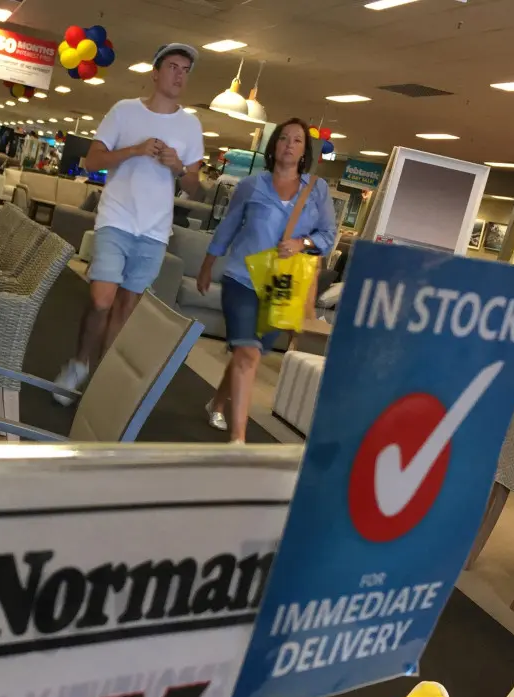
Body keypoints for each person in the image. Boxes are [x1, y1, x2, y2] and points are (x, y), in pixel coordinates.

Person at [53, 43, 206, 402]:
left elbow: (195, 190)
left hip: (154, 232)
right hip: (116, 220)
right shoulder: (124, 111)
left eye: (185, 69)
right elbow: (91, 162)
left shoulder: (190, 126)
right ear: (155, 72)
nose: (179, 74)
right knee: (102, 299)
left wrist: (178, 167)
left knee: (126, 308)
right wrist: (135, 150)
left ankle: (101, 384)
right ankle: (79, 363)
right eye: (173, 66)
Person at [196, 117, 337, 442]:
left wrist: (302, 243)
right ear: (274, 146)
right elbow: (228, 227)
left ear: (305, 151)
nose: (289, 144)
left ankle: (217, 402)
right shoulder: (251, 186)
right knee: (247, 354)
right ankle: (239, 439)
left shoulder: (317, 191)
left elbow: (328, 234)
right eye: (284, 138)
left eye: (297, 140)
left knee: (252, 352)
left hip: (281, 286)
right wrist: (207, 265)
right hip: (242, 279)